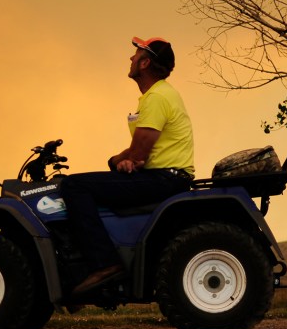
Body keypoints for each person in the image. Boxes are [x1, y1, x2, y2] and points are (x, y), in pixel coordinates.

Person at [59, 36, 195, 296]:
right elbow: (138, 147)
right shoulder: (157, 96)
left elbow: (139, 152)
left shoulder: (158, 98)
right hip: (164, 176)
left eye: (135, 55)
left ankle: (105, 264)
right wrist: (118, 160)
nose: (130, 59)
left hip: (163, 179)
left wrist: (125, 161)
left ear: (144, 63)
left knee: (74, 186)